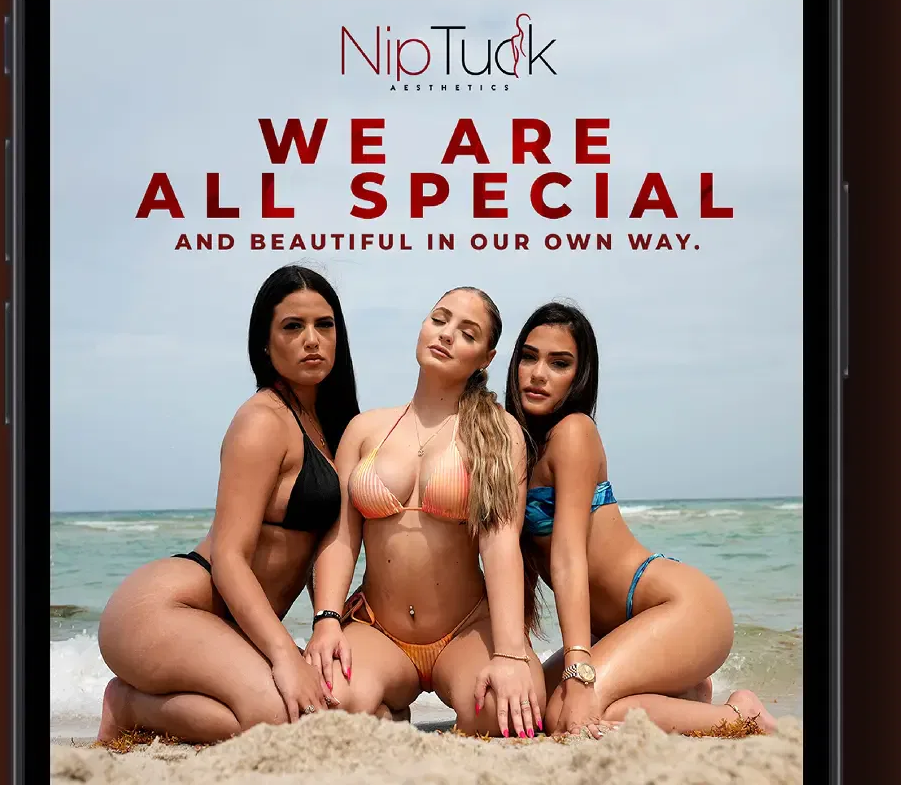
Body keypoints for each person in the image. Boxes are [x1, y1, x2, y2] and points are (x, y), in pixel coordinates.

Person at [96, 265, 360, 743]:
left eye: (324, 325)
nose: (312, 339)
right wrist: (283, 653)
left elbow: (328, 546)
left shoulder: (330, 426)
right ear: (264, 343)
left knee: (315, 712)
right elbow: (231, 557)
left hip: (225, 627)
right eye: (292, 327)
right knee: (275, 718)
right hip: (166, 608)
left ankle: (146, 703)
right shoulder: (262, 420)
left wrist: (333, 617)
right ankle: (127, 703)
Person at [504, 300, 777, 737]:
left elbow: (568, 555)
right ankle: (683, 696)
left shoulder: (574, 432)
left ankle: (741, 715)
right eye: (529, 357)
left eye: (559, 363)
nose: (538, 374)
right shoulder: (518, 448)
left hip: (678, 607)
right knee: (527, 711)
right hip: (625, 631)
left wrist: (577, 665)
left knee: (566, 718)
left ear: (580, 376)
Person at [305, 288, 545, 739]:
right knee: (324, 705)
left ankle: (410, 707)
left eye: (467, 333)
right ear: (423, 326)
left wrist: (511, 653)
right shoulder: (365, 429)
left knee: (506, 715)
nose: (447, 335)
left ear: (485, 358)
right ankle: (386, 710)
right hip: (378, 629)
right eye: (440, 319)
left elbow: (500, 544)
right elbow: (340, 538)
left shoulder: (498, 433)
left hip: (467, 628)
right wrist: (327, 620)